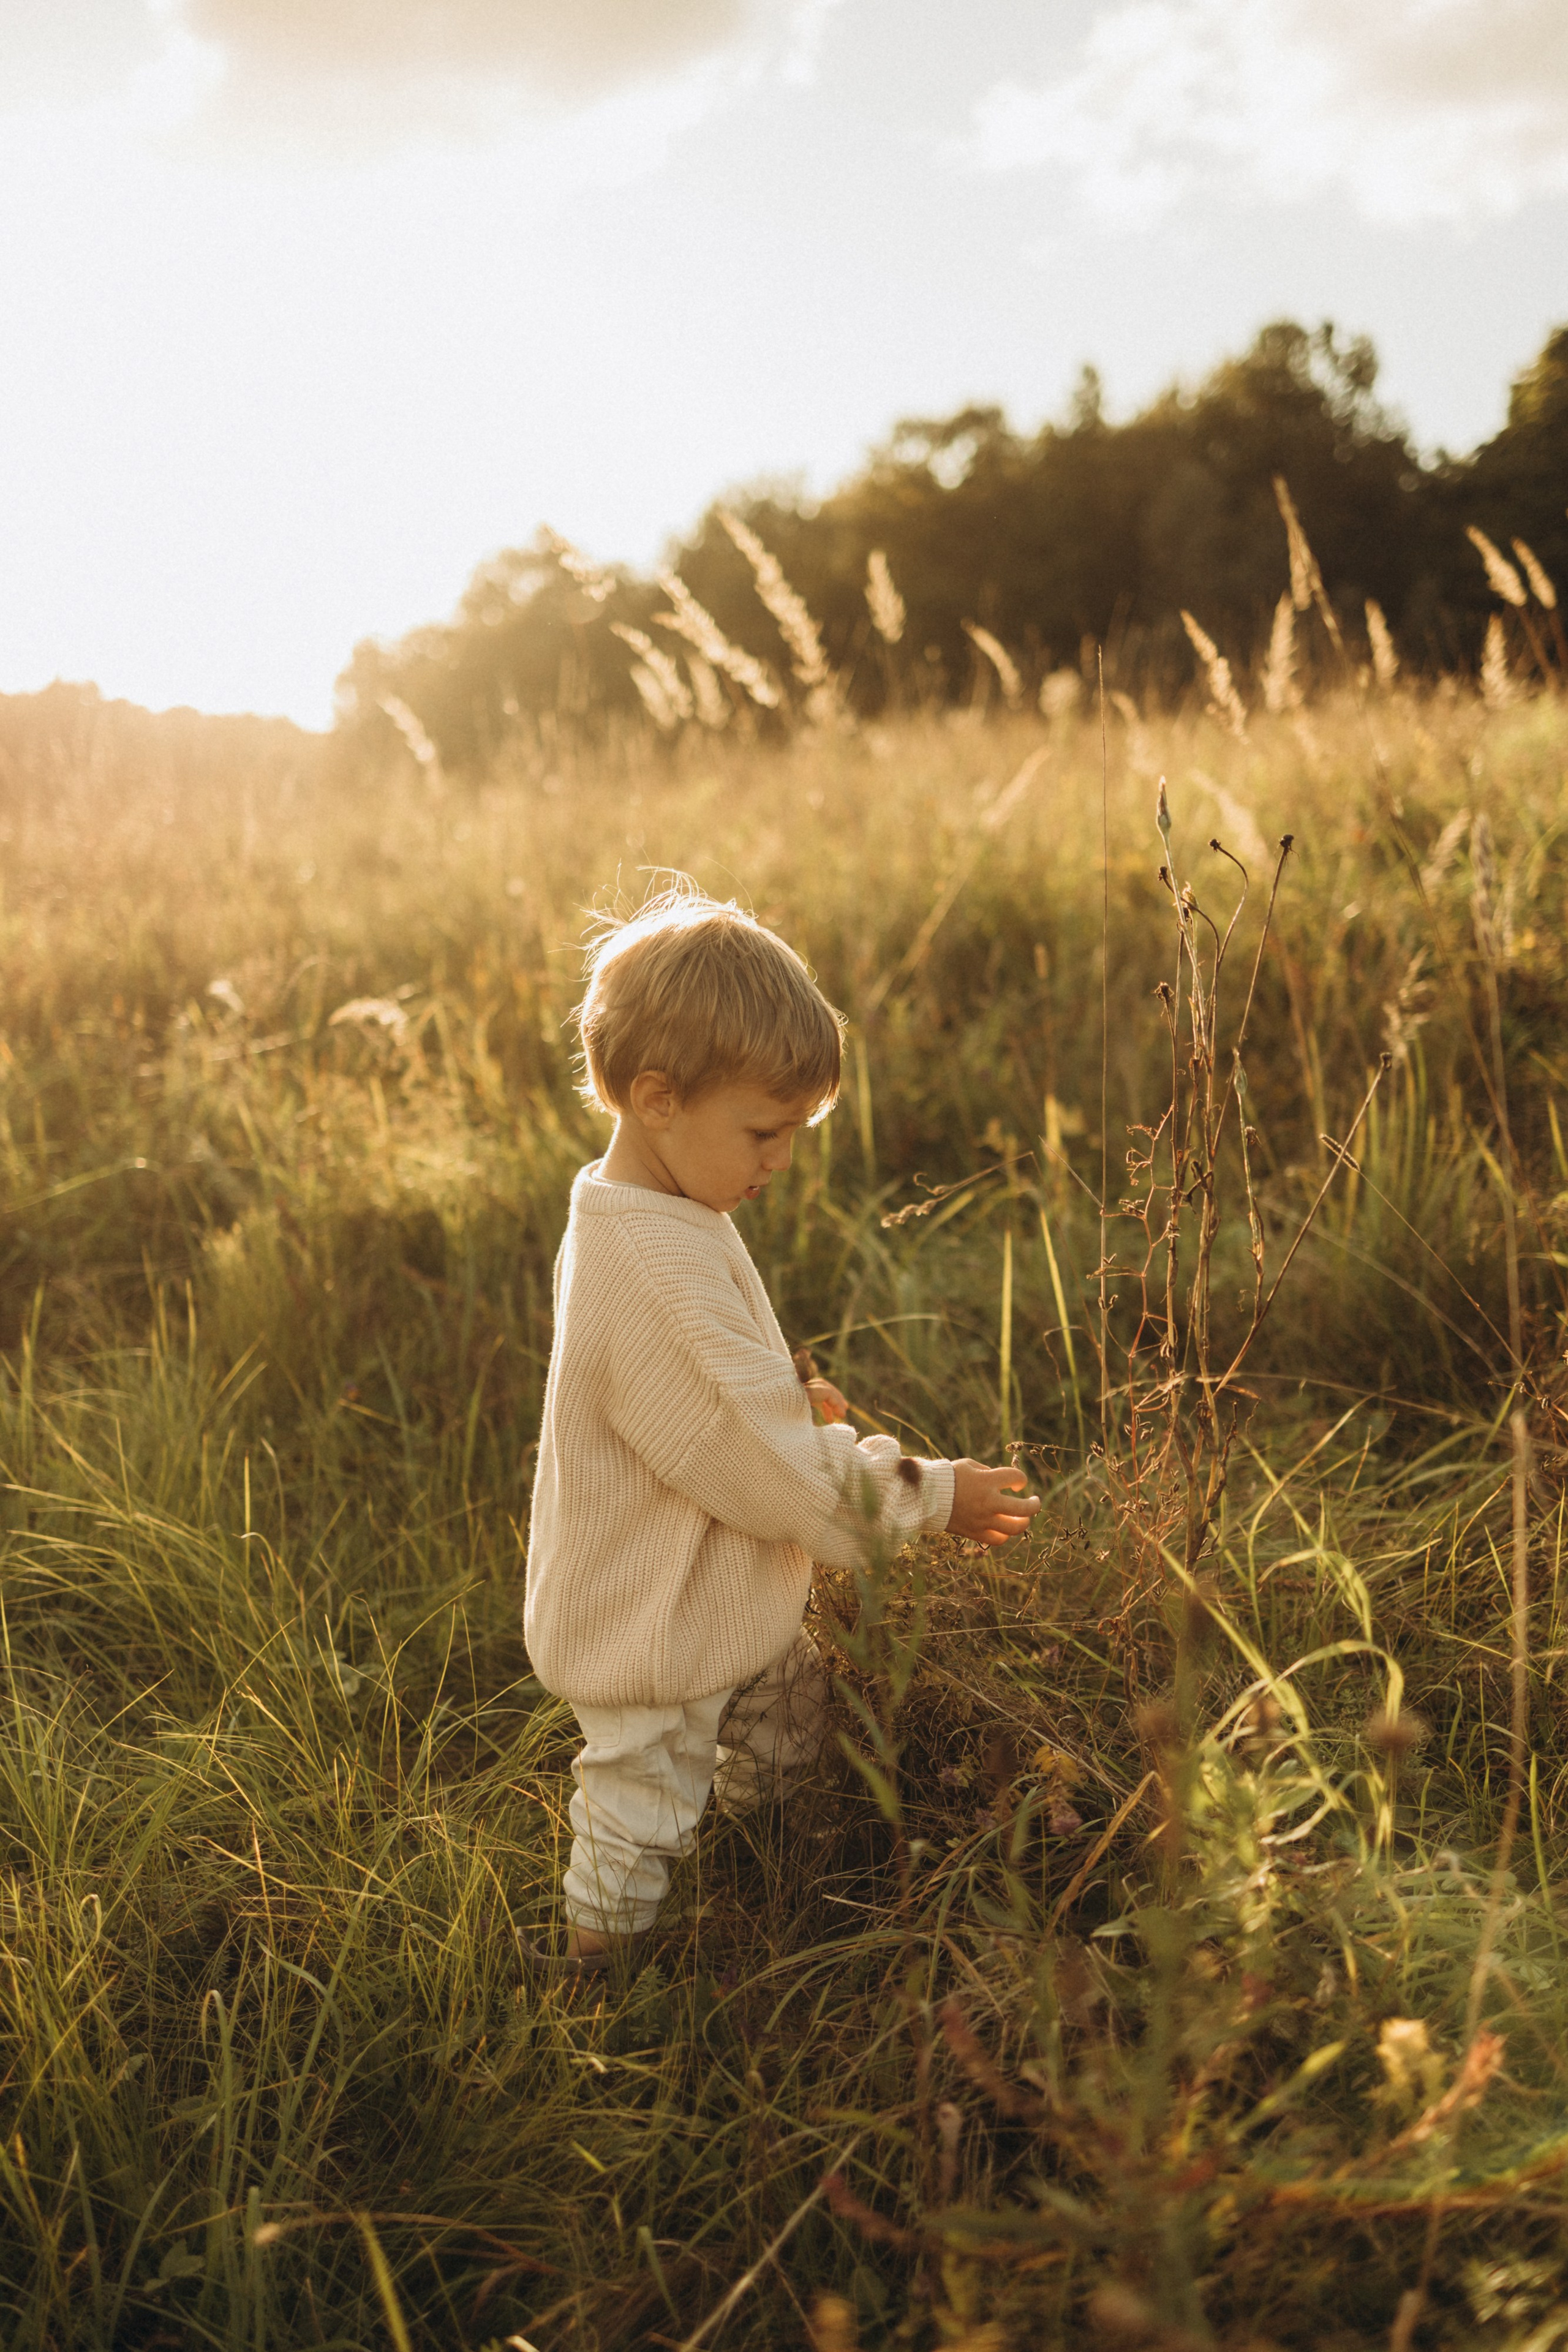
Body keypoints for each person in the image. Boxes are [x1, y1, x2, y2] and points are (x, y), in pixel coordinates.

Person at [523, 888, 1039, 1972]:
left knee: (793, 1729)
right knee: (637, 1810)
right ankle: (594, 1985)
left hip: (715, 1592)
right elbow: (776, 1473)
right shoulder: (656, 1262)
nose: (782, 1160)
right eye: (764, 1132)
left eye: (795, 1133)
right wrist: (933, 1495)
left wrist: (779, 1398)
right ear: (658, 1098)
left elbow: (700, 1404)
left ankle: (772, 1883)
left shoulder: (641, 1207)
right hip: (653, 1626)